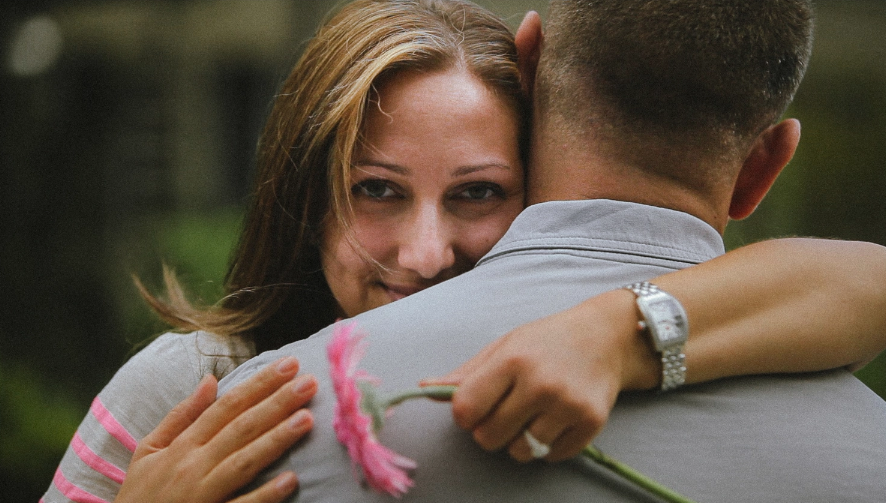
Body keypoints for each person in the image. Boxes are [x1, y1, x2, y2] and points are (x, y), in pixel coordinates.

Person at [43, 0, 886, 502]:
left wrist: (611, 333)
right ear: (305, 194)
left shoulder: (586, 349)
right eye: (377, 189)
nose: (426, 252)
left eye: (479, 193)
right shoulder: (195, 385)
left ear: (543, 163)